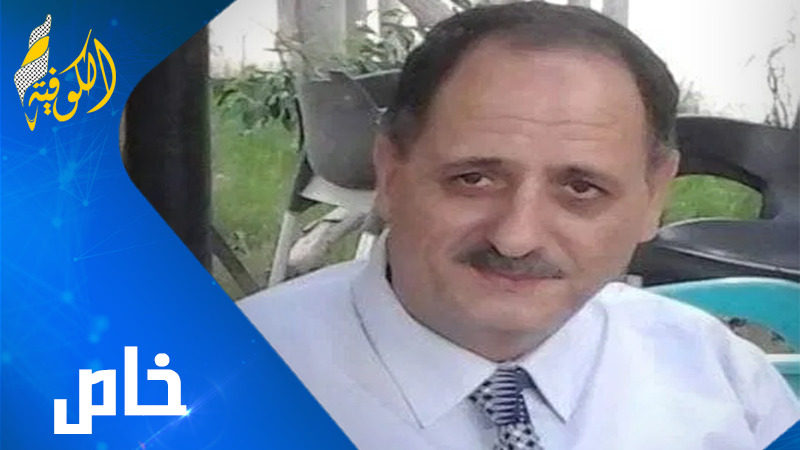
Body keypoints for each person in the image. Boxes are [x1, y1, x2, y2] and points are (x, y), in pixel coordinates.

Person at [239, 2, 799, 449]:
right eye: (474, 179)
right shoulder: (225, 382)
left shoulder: (719, 378)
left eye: (581, 189)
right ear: (391, 171)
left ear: (653, 196)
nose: (516, 237)